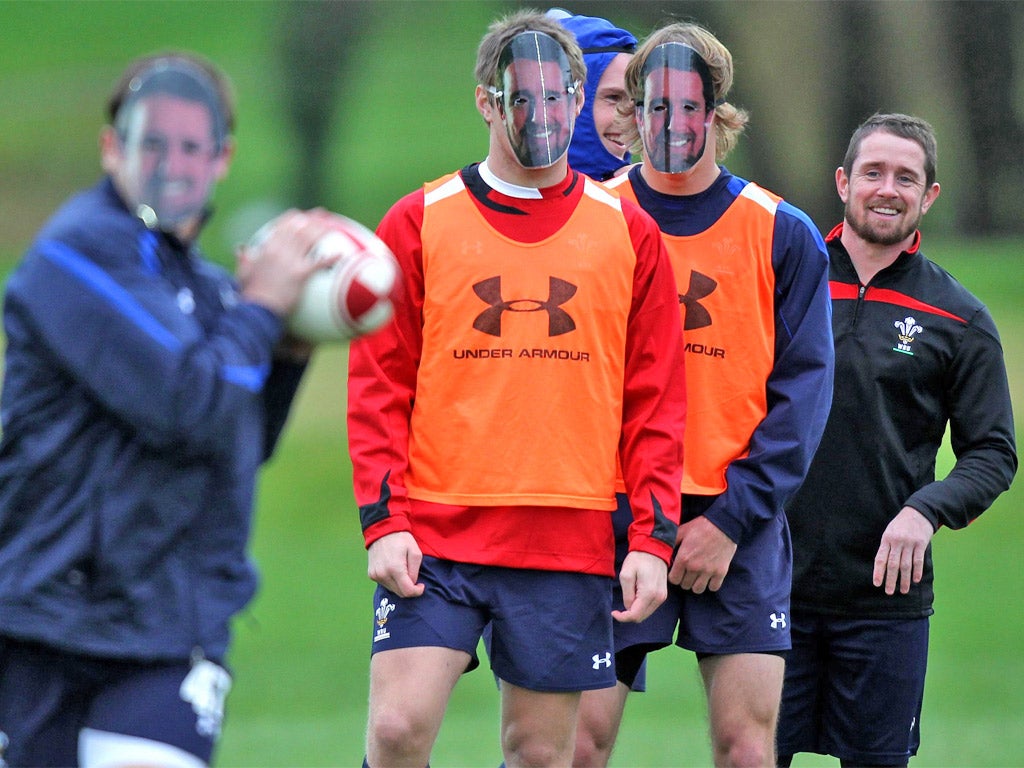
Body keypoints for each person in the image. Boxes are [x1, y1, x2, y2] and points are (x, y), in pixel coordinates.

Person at [346, 10, 687, 768]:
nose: (543, 114)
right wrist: (383, 519)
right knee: (398, 730)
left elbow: (656, 402)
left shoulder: (629, 234)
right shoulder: (417, 221)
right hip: (437, 534)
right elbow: (378, 384)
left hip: (567, 540)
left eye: (559, 95)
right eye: (521, 96)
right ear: (486, 102)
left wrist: (652, 537)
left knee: (540, 754)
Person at [0, 52, 338, 768]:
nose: (172, 161)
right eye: (151, 141)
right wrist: (261, 310)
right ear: (111, 147)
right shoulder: (75, 259)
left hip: (166, 630)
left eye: (193, 144)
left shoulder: (212, 295)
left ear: (223, 157)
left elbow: (234, 438)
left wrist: (289, 348)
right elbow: (187, 402)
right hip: (41, 625)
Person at [574, 22, 835, 767]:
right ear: (630, 117)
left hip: (738, 519)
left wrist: (731, 519)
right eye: (654, 108)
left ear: (721, 115)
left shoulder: (782, 231)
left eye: (692, 108)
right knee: (578, 746)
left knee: (748, 749)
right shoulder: (593, 218)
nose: (673, 125)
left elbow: (803, 394)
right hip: (616, 514)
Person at [776, 113, 1017, 767]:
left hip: (885, 600)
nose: (888, 189)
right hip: (768, 586)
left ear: (929, 195)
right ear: (843, 182)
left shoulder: (959, 317)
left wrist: (926, 509)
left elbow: (994, 451)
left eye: (906, 177)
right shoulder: (778, 283)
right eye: (874, 173)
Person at [547, 8, 636, 180]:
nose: (632, 119)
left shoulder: (640, 200)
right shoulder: (499, 193)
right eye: (613, 98)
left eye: (637, 102)